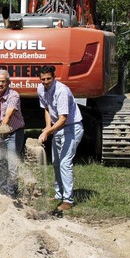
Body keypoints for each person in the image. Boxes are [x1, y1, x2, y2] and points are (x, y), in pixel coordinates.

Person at [37, 65, 84, 211]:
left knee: (65, 163)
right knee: (56, 162)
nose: (46, 82)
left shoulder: (62, 91)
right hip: (57, 127)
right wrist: (47, 126)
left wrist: (47, 132)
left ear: (54, 77)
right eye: (43, 79)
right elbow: (46, 108)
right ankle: (59, 194)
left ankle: (68, 200)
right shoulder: (40, 89)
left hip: (71, 127)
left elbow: (63, 118)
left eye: (49, 79)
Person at [0, 69, 25, 198]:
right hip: (1, 132)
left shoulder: (14, 95)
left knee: (12, 163)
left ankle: (12, 193)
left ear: (8, 82)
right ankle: (3, 191)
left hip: (14, 132)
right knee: (1, 161)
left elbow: (9, 114)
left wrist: (1, 127)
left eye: (3, 81)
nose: (1, 84)